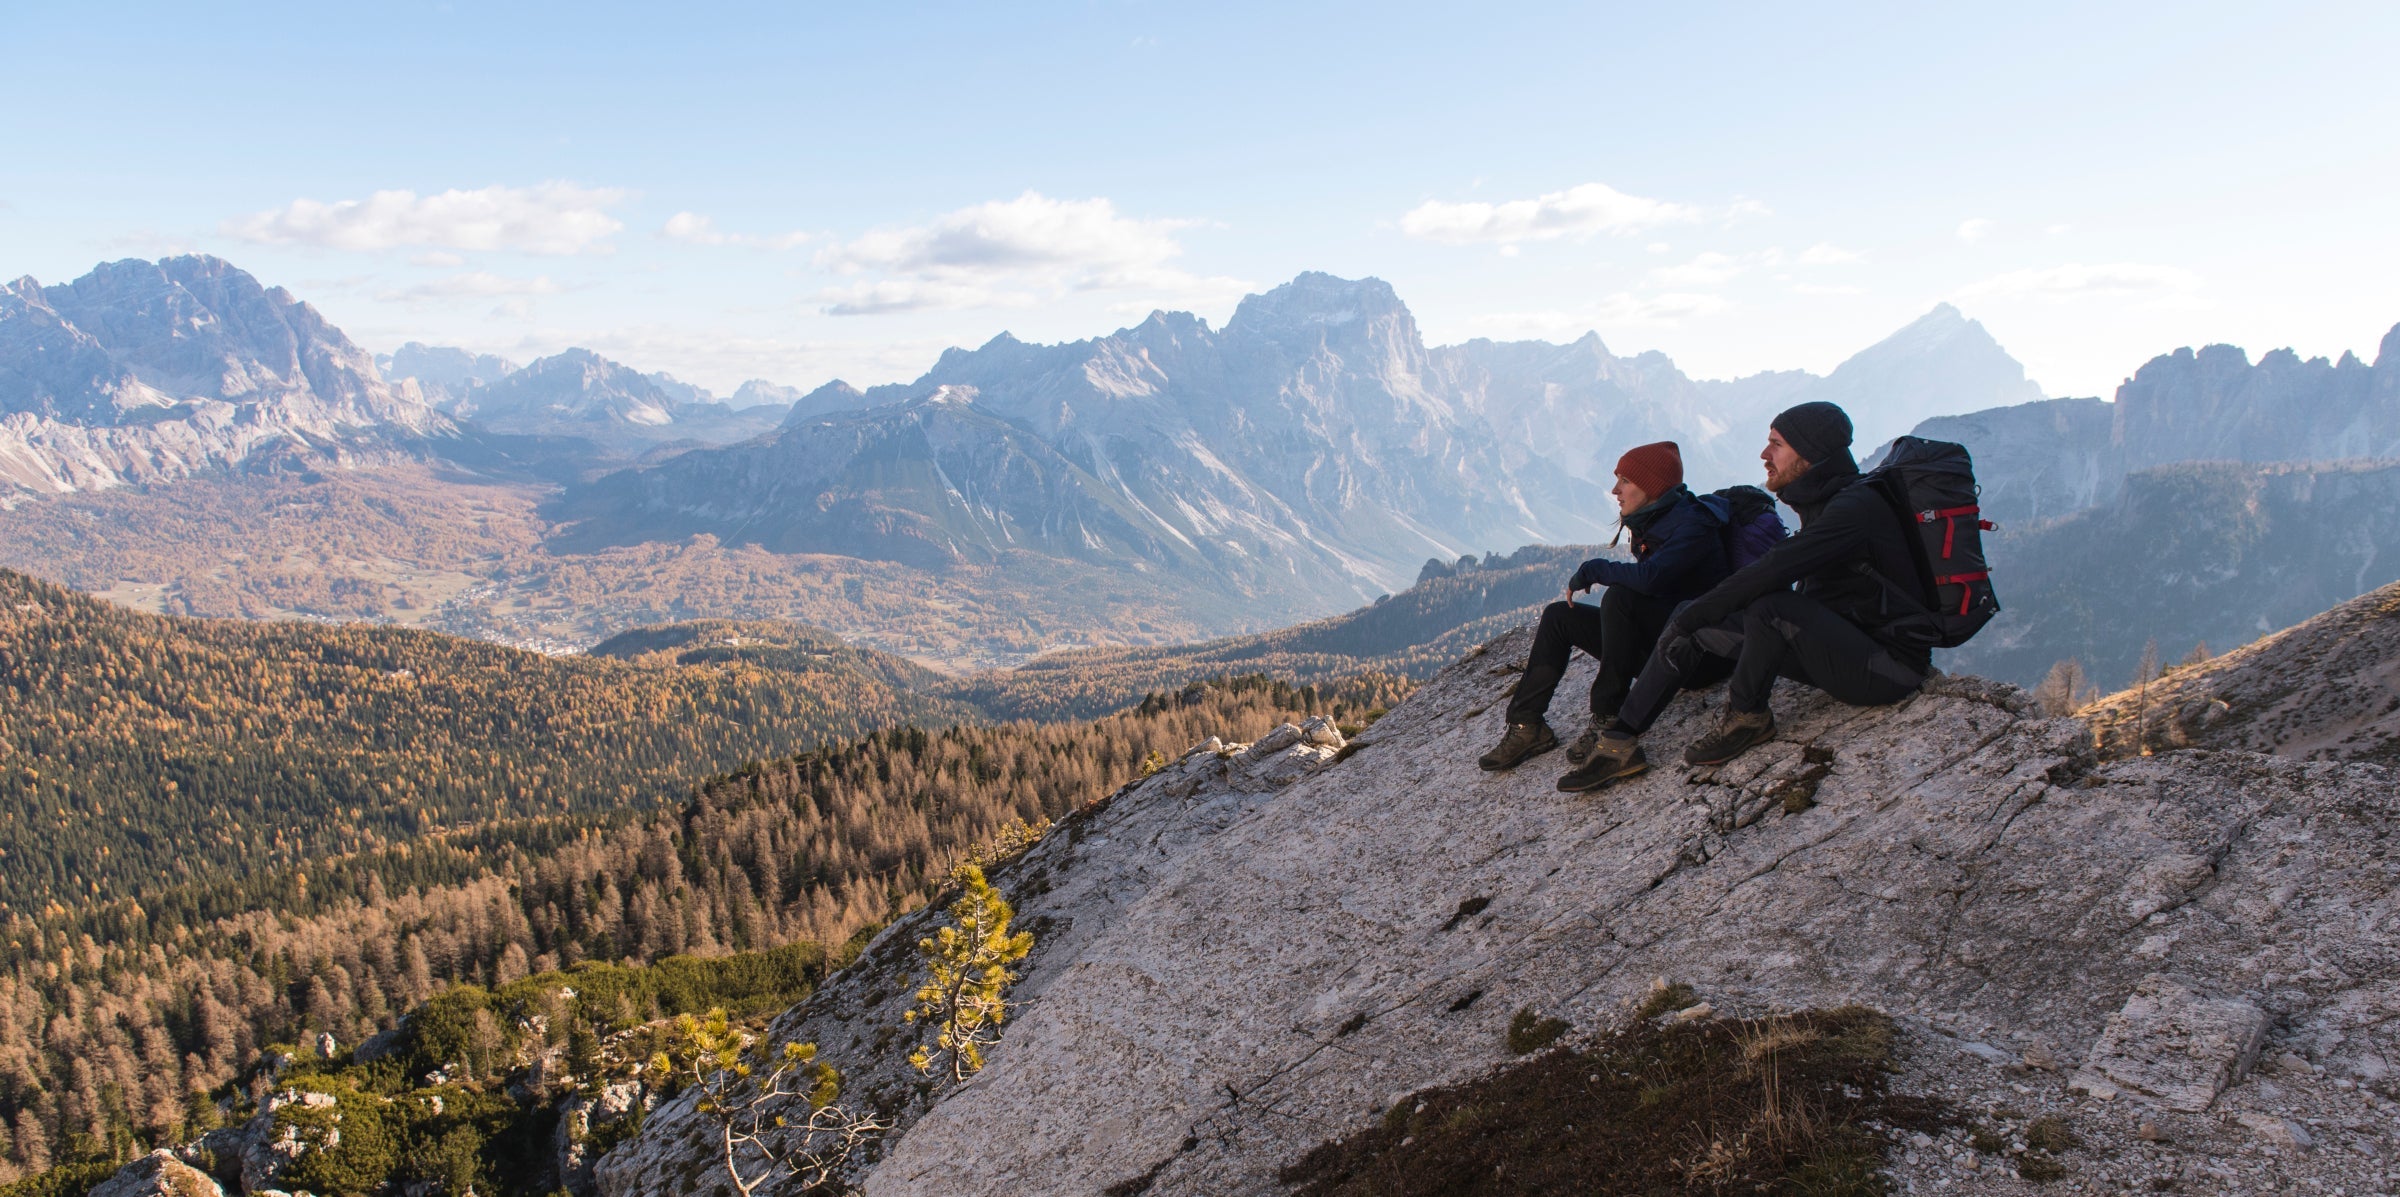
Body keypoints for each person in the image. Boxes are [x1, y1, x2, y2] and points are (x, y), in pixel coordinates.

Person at [1570, 401, 1930, 788]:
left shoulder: (1854, 508)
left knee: (1762, 604)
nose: (1764, 454)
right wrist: (1689, 617)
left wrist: (1695, 614)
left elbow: (1772, 570)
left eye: (1776, 444)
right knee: (1695, 617)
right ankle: (1620, 740)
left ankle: (1748, 716)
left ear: (1809, 452)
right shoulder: (1825, 500)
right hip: (1838, 645)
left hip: (1886, 668)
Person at [1477, 441, 1730, 785]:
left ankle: (1608, 716)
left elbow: (1652, 578)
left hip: (1699, 658)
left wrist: (1595, 569)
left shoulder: (1694, 525)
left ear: (1653, 486)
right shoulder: (1653, 520)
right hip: (1664, 644)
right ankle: (1527, 725)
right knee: (1558, 617)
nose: (1615, 490)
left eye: (1625, 480)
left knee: (1620, 598)